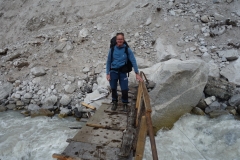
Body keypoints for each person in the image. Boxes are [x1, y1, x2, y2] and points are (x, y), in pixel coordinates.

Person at [106, 32, 143, 112]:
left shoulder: (127, 49)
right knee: (113, 88)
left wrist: (137, 73)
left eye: (121, 39)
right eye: (118, 39)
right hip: (113, 72)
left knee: (125, 88)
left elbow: (133, 61)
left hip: (123, 72)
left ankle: (125, 103)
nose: (120, 40)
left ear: (123, 40)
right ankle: (114, 102)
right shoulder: (112, 50)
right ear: (116, 40)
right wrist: (107, 73)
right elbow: (108, 62)